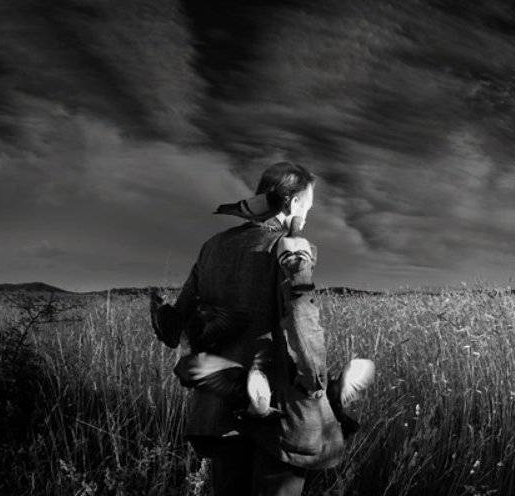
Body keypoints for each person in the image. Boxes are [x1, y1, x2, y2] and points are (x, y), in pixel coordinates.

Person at [149, 161, 373, 495]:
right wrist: (315, 384)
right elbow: (301, 317)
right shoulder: (291, 247)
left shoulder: (213, 247)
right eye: (308, 206)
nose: (307, 214)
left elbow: (180, 319)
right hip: (281, 411)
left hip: (219, 406)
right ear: (293, 203)